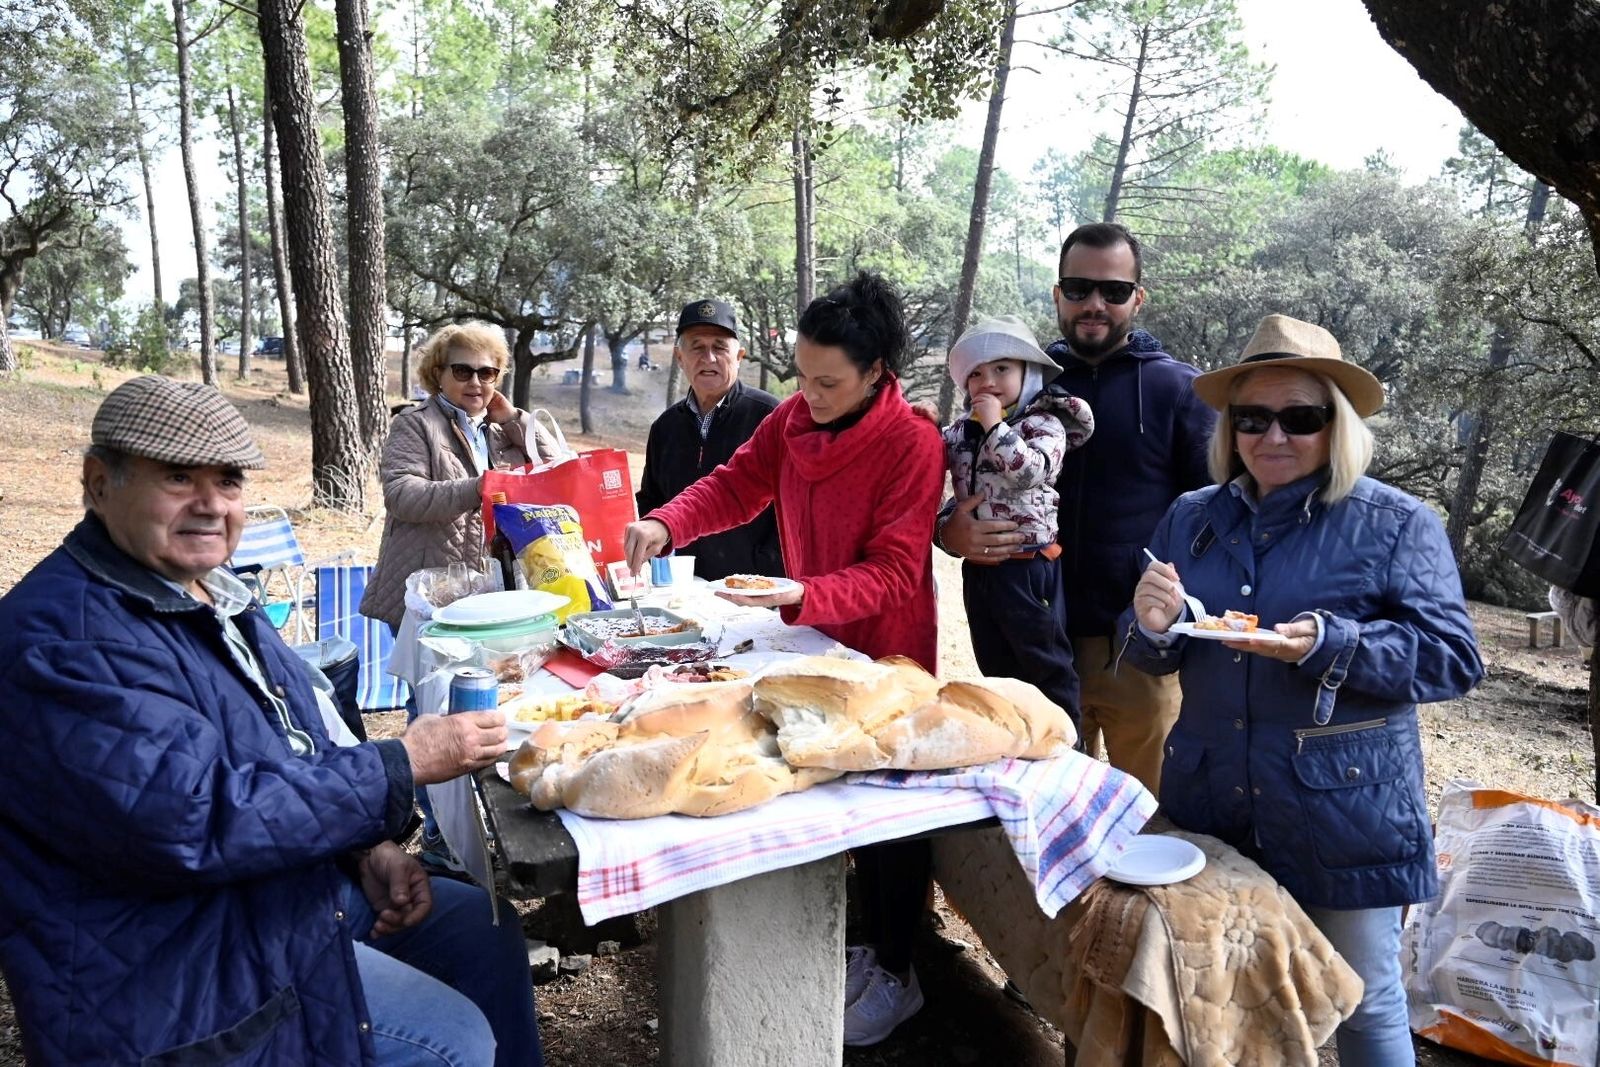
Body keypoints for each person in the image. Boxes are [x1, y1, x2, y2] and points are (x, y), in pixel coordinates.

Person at [0, 375, 542, 1066]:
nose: (209, 504)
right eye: (176, 477)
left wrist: (359, 849)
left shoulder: (208, 591)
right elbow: (197, 820)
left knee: (479, 931)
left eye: (227, 480)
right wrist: (398, 764)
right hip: (172, 969)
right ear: (99, 482)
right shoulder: (60, 643)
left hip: (272, 894)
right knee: (453, 1040)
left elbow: (292, 748)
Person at [1119, 315, 1483, 1066]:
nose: (1272, 436)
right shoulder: (1193, 517)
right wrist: (1150, 622)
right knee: (1219, 990)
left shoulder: (1397, 523)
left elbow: (1452, 657)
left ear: (1337, 425)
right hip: (1213, 794)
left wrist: (1331, 643)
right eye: (1251, 418)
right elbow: (1148, 658)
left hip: (1343, 810)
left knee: (1363, 1000)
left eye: (1300, 417)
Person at [623, 273, 945, 1047]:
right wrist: (668, 523)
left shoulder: (913, 442)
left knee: (888, 815)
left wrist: (797, 588)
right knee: (829, 804)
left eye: (829, 382)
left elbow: (898, 570)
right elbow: (737, 483)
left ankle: (902, 971)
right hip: (811, 645)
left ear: (876, 374)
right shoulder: (795, 418)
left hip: (885, 657)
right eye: (802, 375)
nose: (810, 394)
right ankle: (865, 944)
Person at [936, 222, 1213, 796]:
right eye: (1078, 287)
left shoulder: (1177, 390)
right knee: (1040, 800)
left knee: (1149, 810)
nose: (1094, 304)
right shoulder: (1013, 380)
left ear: (1137, 297)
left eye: (1113, 291)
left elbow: (1213, 515)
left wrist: (1177, 612)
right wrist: (948, 531)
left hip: (1135, 646)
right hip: (1031, 630)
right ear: (1057, 293)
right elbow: (955, 476)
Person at [361, 321, 559, 869]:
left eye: (488, 371)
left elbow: (553, 469)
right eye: (463, 370)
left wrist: (516, 420)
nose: (476, 381)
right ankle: (437, 840)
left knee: (490, 709)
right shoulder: (415, 424)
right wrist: (477, 488)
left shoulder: (501, 428)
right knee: (428, 711)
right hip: (428, 597)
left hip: (491, 600)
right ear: (438, 373)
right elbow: (402, 494)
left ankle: (480, 829)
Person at [940, 314, 1093, 733]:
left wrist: (994, 424)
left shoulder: (1045, 424)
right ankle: (1013, 738)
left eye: (1002, 369)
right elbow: (933, 481)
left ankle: (1065, 741)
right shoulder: (959, 434)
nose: (987, 382)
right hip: (980, 572)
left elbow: (1028, 472)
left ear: (1030, 373)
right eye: (975, 374)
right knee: (995, 664)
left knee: (1045, 664)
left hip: (1029, 569)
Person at [635, 299, 784, 581]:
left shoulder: (770, 417)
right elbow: (651, 500)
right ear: (680, 358)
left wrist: (768, 570)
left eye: (719, 347)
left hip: (757, 588)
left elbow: (791, 507)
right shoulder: (664, 428)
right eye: (697, 347)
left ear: (739, 356)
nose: (709, 358)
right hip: (683, 587)